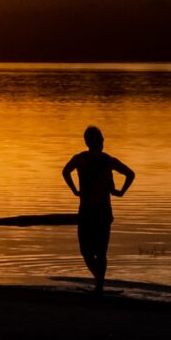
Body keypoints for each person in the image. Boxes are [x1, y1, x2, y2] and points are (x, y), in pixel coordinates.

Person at [62, 125, 135, 293]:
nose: (103, 141)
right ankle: (100, 285)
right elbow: (130, 174)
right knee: (100, 252)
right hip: (102, 212)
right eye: (102, 138)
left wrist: (74, 190)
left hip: (88, 211)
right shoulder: (108, 160)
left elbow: (65, 171)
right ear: (100, 141)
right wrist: (120, 192)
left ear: (87, 142)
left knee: (86, 252)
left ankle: (99, 285)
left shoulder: (80, 159)